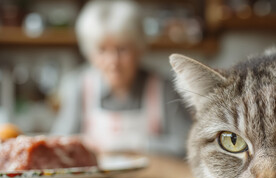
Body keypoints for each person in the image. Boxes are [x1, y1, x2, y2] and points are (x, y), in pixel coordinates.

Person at [51, 0, 191, 156]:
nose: (113, 62)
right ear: (89, 53)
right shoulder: (79, 87)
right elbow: (59, 145)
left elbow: (186, 147)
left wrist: (134, 144)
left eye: (122, 49)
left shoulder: (163, 88)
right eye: (102, 50)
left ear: (139, 49)